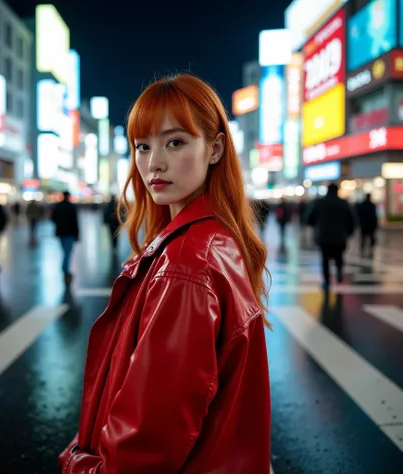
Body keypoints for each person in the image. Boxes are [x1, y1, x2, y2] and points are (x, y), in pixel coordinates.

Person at [58, 75, 271, 473]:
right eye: (142, 146)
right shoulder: (213, 239)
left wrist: (78, 466)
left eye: (175, 142)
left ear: (215, 149)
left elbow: (144, 449)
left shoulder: (186, 263)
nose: (153, 162)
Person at [306, 183, 356, 289]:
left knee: (325, 259)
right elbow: (352, 220)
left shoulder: (320, 203)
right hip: (340, 237)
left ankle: (327, 280)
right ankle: (339, 271)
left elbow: (309, 219)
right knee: (339, 257)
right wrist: (349, 233)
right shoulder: (344, 203)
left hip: (324, 237)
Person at [51, 191, 79, 283]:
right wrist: (77, 234)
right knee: (67, 252)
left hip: (61, 232)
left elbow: (53, 218)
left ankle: (65, 269)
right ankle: (65, 270)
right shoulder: (71, 207)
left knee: (64, 251)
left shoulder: (58, 206)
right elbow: (75, 222)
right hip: (70, 233)